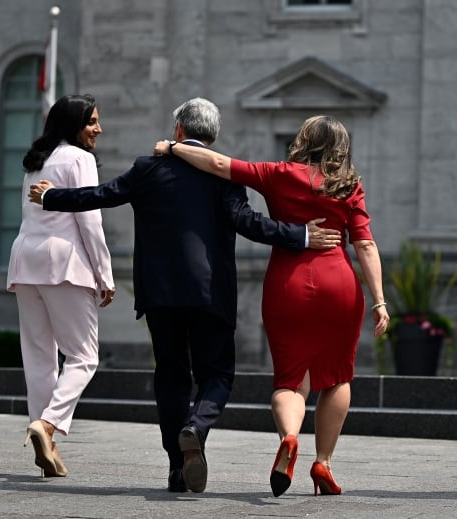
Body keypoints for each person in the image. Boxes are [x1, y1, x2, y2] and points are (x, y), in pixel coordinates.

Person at [28, 98, 341, 494]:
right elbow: (250, 223)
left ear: (179, 131)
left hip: (159, 293)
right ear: (212, 135)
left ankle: (178, 468)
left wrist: (51, 196)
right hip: (211, 291)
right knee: (218, 374)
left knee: (172, 376)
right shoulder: (224, 175)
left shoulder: (148, 168)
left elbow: (101, 196)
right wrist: (302, 235)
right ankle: (197, 426)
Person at [154, 114, 389, 497]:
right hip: (339, 284)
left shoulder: (278, 173)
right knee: (338, 378)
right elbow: (364, 244)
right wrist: (379, 301)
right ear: (341, 148)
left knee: (289, 380)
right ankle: (323, 463)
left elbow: (218, 164)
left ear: (302, 140)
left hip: (288, 283)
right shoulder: (349, 185)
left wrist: (174, 147)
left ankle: (290, 438)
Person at [7, 94, 116, 478]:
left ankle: (47, 445)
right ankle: (48, 425)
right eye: (92, 122)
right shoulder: (79, 159)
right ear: (73, 123)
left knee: (39, 357)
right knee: (84, 356)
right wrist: (105, 274)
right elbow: (90, 222)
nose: (98, 129)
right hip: (64, 263)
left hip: (25, 260)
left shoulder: (34, 162)